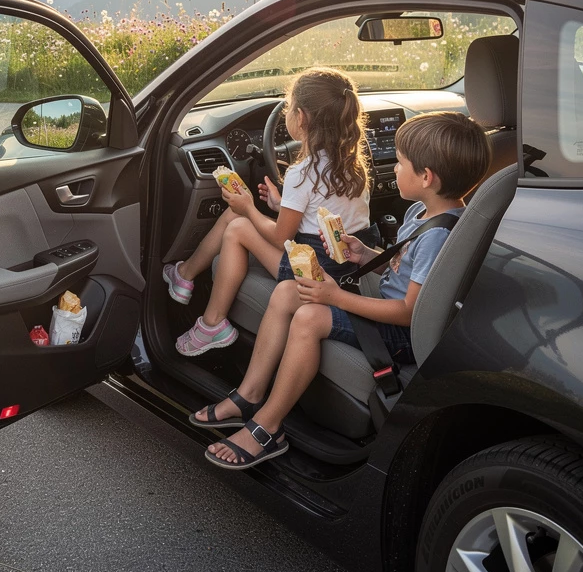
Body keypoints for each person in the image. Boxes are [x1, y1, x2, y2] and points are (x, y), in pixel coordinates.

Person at [199, 111, 492, 470]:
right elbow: (407, 270)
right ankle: (250, 393)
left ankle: (267, 427)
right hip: (393, 309)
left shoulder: (436, 235)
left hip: (401, 333)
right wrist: (365, 254)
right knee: (289, 290)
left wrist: (336, 297)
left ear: (426, 177)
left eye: (400, 163)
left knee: (309, 315)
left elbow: (410, 311)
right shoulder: (424, 213)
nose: (394, 168)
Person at [169, 68, 377, 356]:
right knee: (235, 216)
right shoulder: (353, 167)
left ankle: (211, 322)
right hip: (344, 267)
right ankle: (184, 275)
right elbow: (321, 214)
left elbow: (282, 239)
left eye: (289, 107)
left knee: (238, 226)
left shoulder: (303, 173)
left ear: (301, 117)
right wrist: (281, 206)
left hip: (313, 272)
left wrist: (249, 208)